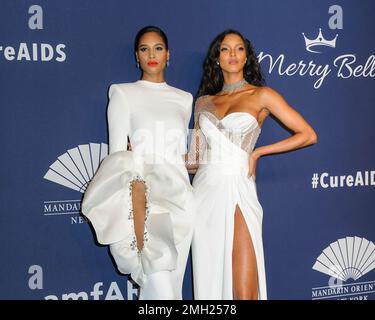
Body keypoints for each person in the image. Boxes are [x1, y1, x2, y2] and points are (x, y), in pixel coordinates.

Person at [186, 29, 317, 300]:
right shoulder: (202, 103)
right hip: (204, 195)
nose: (232, 54)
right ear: (217, 59)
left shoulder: (262, 95)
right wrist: (147, 154)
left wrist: (258, 153)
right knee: (211, 288)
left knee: (245, 293)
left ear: (246, 57)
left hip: (239, 190)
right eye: (225, 49)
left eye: (239, 49)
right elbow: (193, 161)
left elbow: (308, 135)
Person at [82, 26, 195, 300]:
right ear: (137, 56)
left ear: (168, 54)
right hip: (144, 197)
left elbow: (181, 153)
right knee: (159, 287)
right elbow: (117, 158)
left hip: (182, 200)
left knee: (172, 286)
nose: (151, 54)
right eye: (144, 49)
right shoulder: (122, 93)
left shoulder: (185, 99)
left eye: (158, 48)